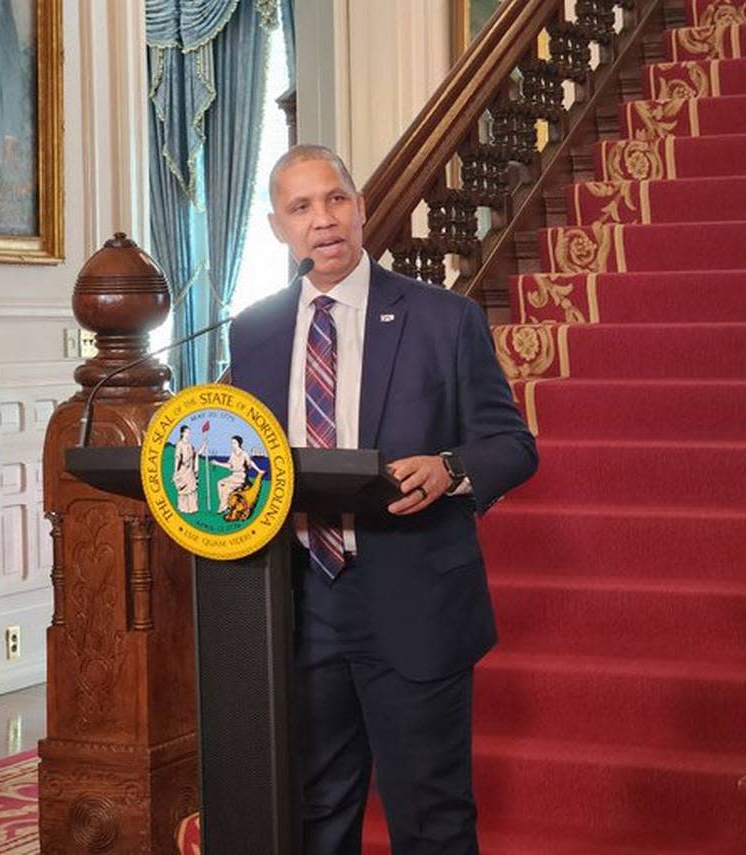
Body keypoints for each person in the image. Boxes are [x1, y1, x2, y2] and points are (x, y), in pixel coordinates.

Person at [228, 145, 537, 854]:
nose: (323, 220)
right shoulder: (254, 332)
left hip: (411, 599)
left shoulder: (442, 319)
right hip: (301, 604)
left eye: (336, 199)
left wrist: (451, 466)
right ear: (278, 227)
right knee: (315, 814)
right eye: (301, 207)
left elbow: (512, 444)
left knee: (430, 818)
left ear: (361, 208)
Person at [211, 434, 264, 514]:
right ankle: (224, 504)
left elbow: (250, 463)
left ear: (239, 443)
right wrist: (217, 463)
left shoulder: (244, 453)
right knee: (219, 483)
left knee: (226, 488)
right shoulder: (233, 454)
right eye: (232, 443)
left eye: (234, 443)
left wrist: (259, 470)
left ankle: (224, 507)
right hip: (234, 475)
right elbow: (229, 465)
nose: (233, 445)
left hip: (241, 477)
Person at [173, 425, 200, 513]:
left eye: (189, 432)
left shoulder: (190, 445)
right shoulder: (180, 444)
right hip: (183, 469)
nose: (188, 434)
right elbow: (177, 457)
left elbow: (196, 455)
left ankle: (192, 508)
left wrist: (203, 447)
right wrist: (175, 471)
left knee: (192, 489)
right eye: (187, 432)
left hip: (190, 470)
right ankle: (183, 508)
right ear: (182, 433)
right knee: (183, 489)